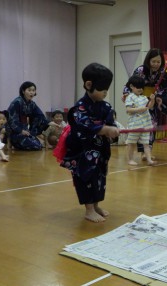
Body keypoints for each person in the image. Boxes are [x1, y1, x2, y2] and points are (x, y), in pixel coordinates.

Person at [59, 63, 119, 223]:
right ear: (88, 85)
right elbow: (84, 126)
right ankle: (89, 209)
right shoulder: (79, 107)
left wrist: (112, 130)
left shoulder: (106, 106)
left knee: (100, 177)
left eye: (107, 89)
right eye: (102, 89)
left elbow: (110, 122)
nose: (106, 92)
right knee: (86, 178)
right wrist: (105, 129)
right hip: (83, 152)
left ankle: (96, 205)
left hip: (100, 150)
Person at [122, 48, 167, 159]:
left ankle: (147, 152)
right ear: (148, 60)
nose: (156, 64)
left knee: (151, 126)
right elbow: (129, 85)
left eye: (158, 62)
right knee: (139, 126)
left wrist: (161, 98)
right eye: (153, 61)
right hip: (139, 102)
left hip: (152, 101)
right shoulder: (140, 70)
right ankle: (140, 150)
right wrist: (126, 94)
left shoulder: (163, 73)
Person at [7, 81, 54, 150]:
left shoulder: (32, 104)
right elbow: (11, 119)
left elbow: (39, 115)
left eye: (33, 90)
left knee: (38, 145)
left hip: (25, 130)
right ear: (23, 91)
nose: (31, 92)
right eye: (29, 90)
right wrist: (20, 130)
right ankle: (11, 141)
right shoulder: (17, 102)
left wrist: (49, 122)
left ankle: (28, 138)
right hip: (15, 131)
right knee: (35, 146)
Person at [124, 75, 156, 166]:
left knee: (146, 143)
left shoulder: (144, 97)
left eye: (142, 87)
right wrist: (139, 109)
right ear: (131, 86)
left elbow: (149, 107)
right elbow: (128, 110)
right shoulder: (130, 97)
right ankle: (130, 159)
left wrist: (152, 100)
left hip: (145, 124)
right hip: (134, 125)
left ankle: (149, 160)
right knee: (131, 143)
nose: (140, 89)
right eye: (138, 87)